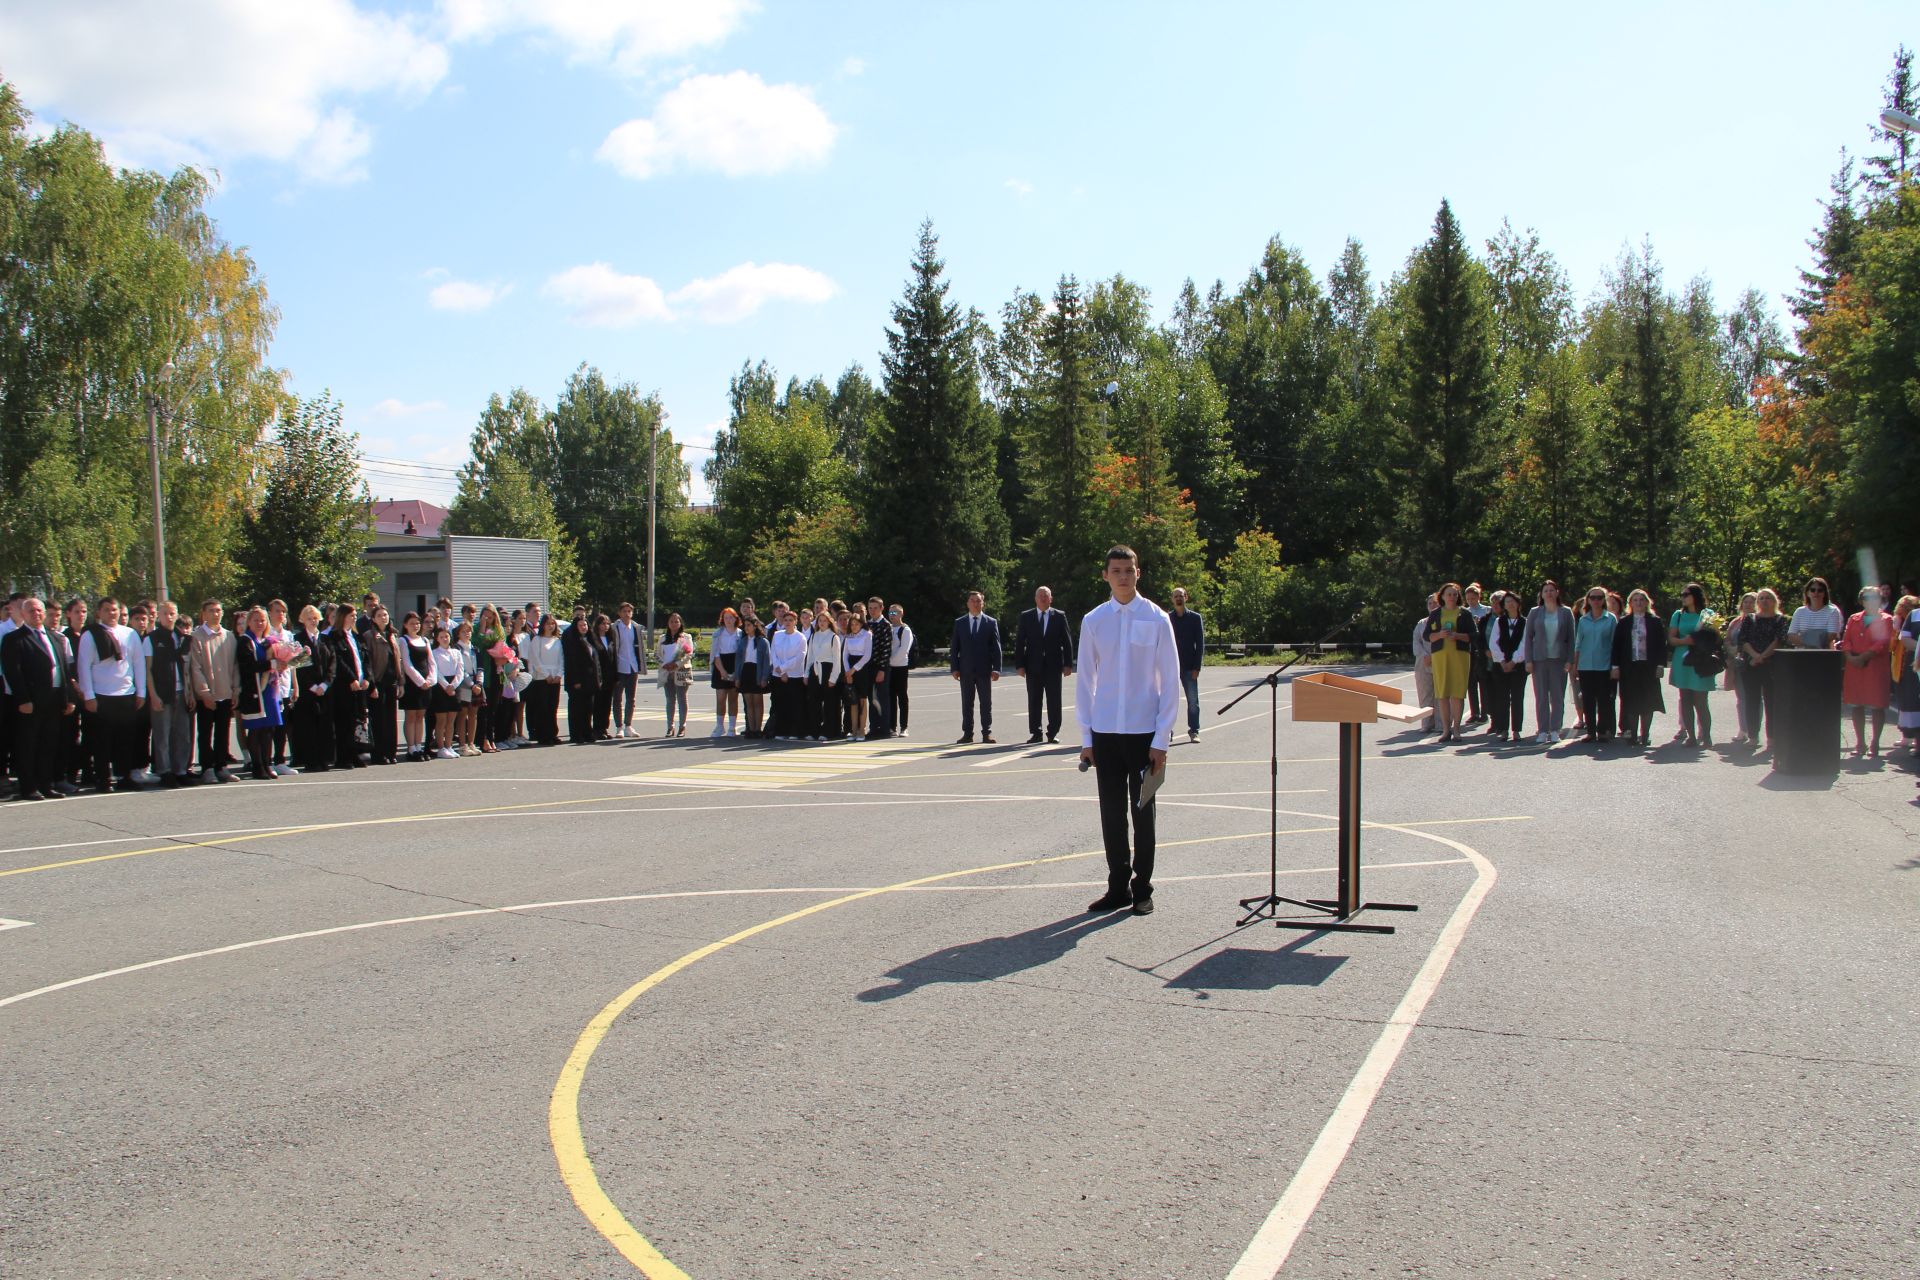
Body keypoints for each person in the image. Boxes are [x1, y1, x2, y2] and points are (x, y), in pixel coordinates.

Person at [1076, 546, 1180, 917]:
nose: (1123, 576)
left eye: (1129, 570)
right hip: (1105, 732)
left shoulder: (1156, 618)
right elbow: (1085, 682)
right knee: (1112, 814)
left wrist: (1161, 739)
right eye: (1116, 570)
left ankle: (1142, 889)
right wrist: (1087, 739)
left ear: (1139, 573)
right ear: (1105, 575)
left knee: (1143, 812)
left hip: (1143, 734)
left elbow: (1170, 682)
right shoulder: (1094, 621)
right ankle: (1117, 886)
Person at [3, 597, 78, 801]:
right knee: (28, 745)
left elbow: (63, 670)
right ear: (23, 614)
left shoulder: (56, 638)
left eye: (39, 610)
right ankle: (29, 786)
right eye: (31, 611)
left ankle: (46, 784)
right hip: (31, 701)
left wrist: (68, 698)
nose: (36, 614)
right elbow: (13, 672)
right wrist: (23, 699)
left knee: (48, 743)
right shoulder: (15, 638)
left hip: (53, 699)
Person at [75, 596, 148, 791]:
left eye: (114, 609)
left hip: (126, 694)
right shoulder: (90, 635)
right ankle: (103, 779)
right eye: (107, 610)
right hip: (101, 695)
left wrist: (141, 691)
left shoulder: (130, 634)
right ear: (99, 613)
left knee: (125, 740)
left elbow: (138, 663)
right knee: (102, 741)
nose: (111, 613)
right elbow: (83, 665)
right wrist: (88, 695)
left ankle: (123, 776)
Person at [144, 601, 197, 786]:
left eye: (172, 613)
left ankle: (180, 770)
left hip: (181, 691)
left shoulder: (183, 638)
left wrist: (190, 692)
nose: (169, 616)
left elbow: (188, 667)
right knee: (162, 735)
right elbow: (147, 669)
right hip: (162, 693)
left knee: (182, 733)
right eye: (165, 613)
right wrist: (153, 695)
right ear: (158, 615)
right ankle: (165, 771)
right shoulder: (152, 639)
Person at [1014, 585, 1074, 745]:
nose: (1042, 598)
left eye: (1045, 596)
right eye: (1040, 596)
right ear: (1035, 599)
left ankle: (1052, 732)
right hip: (1032, 666)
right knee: (1034, 700)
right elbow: (1020, 642)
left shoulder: (1059, 616)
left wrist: (1068, 663)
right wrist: (1019, 664)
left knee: (1054, 700)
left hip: (1054, 666)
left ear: (1051, 599)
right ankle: (1035, 733)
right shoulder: (1026, 616)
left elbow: (1067, 642)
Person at [1839, 587, 1894, 759]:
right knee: (1857, 704)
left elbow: (1884, 642)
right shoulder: (1854, 618)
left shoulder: (1886, 619)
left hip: (1875, 666)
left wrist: (1865, 656)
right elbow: (1846, 640)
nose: (1870, 601)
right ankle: (1860, 742)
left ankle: (1875, 742)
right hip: (1855, 667)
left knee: (1877, 705)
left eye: (1874, 598)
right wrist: (1849, 656)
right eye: (1866, 598)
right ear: (1861, 600)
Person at [189, 599, 238, 783]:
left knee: (223, 732)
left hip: (226, 693)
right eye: (211, 610)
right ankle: (207, 768)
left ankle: (221, 766)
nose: (215, 614)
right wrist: (204, 693)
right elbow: (196, 668)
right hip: (207, 696)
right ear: (203, 613)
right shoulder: (197, 637)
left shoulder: (229, 636)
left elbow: (234, 666)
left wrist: (235, 690)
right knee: (205, 732)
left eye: (218, 610)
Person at [235, 606, 285, 781]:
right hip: (253, 691)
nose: (259, 623)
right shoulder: (245, 641)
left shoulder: (267, 641)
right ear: (249, 622)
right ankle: (257, 767)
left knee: (268, 729)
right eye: (255, 620)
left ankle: (266, 763)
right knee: (256, 730)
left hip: (269, 690)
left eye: (262, 620)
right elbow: (247, 667)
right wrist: (271, 664)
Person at [1735, 588, 1786, 754]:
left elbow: (1779, 640)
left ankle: (1772, 738)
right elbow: (1743, 640)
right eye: (1762, 598)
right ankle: (1753, 736)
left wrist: (1763, 656)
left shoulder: (1780, 620)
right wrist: (1755, 656)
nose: (1764, 601)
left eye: (1768, 598)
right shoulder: (1750, 619)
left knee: (1772, 702)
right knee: (1751, 701)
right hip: (1751, 665)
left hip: (1771, 665)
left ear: (1774, 601)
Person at [1667, 583, 1719, 748]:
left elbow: (1716, 637)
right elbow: (1671, 639)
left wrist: (1702, 640)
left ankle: (1706, 735)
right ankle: (1691, 736)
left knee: (1701, 700)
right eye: (1682, 595)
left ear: (1695, 596)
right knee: (1685, 698)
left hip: (1701, 660)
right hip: (1682, 660)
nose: (1683, 598)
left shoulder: (1708, 614)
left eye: (1686, 594)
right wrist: (1685, 641)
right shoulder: (1678, 615)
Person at [1423, 583, 1476, 743]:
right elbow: (1427, 636)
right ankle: (1446, 730)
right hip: (1440, 656)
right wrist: (1439, 634)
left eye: (1454, 594)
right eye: (1448, 594)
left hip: (1459, 656)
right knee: (1443, 694)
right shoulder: (1435, 614)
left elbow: (1474, 635)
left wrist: (1458, 636)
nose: (1451, 597)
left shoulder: (1465, 613)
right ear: (1442, 596)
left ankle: (1457, 730)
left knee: (1457, 693)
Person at [1524, 581, 1574, 746]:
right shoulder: (1535, 612)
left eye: (1552, 590)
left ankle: (1555, 730)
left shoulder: (1566, 612)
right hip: (1539, 660)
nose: (1549, 593)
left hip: (1558, 660)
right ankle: (1543, 730)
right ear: (1542, 594)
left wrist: (1569, 660)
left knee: (1557, 697)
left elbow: (1571, 639)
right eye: (1546, 591)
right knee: (1541, 697)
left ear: (1557, 592)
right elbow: (1528, 637)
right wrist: (1528, 660)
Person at [950, 590, 1002, 744]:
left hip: (984, 669)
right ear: (968, 603)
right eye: (972, 600)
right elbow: (955, 647)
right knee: (967, 703)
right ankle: (967, 733)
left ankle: (987, 733)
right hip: (965, 670)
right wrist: (954, 668)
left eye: (978, 601)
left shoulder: (991, 622)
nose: (975, 603)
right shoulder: (960, 622)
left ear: (983, 603)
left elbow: (996, 647)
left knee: (986, 703)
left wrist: (996, 668)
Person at [324, 604, 369, 769]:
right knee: (344, 722)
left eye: (355, 615)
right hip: (344, 687)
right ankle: (343, 757)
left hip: (360, 686)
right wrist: (351, 678)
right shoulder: (334, 637)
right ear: (343, 616)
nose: (354, 618)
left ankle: (355, 754)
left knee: (357, 721)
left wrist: (367, 678)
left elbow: (365, 659)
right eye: (351, 615)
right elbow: (338, 661)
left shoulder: (356, 636)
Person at [1572, 586, 1618, 744]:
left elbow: (1615, 644)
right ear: (1588, 600)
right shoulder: (1583, 620)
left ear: (1604, 600)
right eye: (1593, 598)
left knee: (1604, 700)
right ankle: (1590, 731)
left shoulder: (1611, 619)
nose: (1596, 601)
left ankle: (1602, 730)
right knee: (1588, 700)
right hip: (1585, 666)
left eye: (1599, 598)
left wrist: (1614, 667)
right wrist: (1575, 666)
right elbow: (1578, 644)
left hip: (1604, 666)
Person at [1483, 589, 1528, 742]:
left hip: (1518, 665)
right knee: (1502, 698)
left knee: (1517, 697)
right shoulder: (1499, 621)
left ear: (1518, 603)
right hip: (1500, 665)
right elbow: (1493, 643)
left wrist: (1514, 661)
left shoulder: (1524, 622)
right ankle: (1503, 729)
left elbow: (1525, 644)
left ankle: (1516, 730)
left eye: (1512, 601)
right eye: (1507, 602)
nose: (1510, 604)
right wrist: (1502, 661)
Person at [1167, 587, 1205, 744]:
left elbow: (1200, 644)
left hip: (1190, 667)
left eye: (1181, 596)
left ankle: (1194, 731)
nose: (1178, 599)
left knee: (1193, 702)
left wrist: (1197, 667)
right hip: (1171, 667)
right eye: (1175, 596)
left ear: (1186, 597)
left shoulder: (1195, 618)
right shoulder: (1167, 618)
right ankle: (1167, 731)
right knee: (1168, 702)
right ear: (1172, 599)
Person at [397, 611, 434, 761]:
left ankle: (419, 746)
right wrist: (420, 681)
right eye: (412, 623)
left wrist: (430, 680)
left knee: (421, 715)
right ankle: (411, 748)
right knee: (411, 715)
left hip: (426, 683)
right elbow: (407, 664)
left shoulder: (424, 640)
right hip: (412, 684)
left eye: (417, 623)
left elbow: (431, 662)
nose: (415, 626)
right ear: (405, 625)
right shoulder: (403, 640)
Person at [522, 615, 564, 745]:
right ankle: (543, 734)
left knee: (553, 706)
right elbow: (535, 659)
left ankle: (552, 733)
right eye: (548, 623)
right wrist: (546, 675)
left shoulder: (557, 640)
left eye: (553, 623)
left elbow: (561, 659)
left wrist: (559, 674)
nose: (550, 626)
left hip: (555, 677)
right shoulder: (537, 640)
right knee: (543, 707)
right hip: (541, 678)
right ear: (543, 625)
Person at [561, 605, 600, 745]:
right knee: (576, 709)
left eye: (585, 624)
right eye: (581, 625)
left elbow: (595, 662)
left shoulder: (589, 640)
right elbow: (571, 662)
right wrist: (576, 680)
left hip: (590, 681)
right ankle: (576, 734)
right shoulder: (572, 640)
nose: (584, 627)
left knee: (588, 709)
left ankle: (587, 732)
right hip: (577, 681)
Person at [1724, 593, 1758, 743]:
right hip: (1737, 664)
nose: (1748, 605)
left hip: (1753, 663)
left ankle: (1753, 730)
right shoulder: (1736, 622)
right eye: (1746, 602)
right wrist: (1731, 649)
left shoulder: (1759, 621)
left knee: (1755, 698)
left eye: (1752, 602)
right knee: (1741, 697)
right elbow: (1727, 639)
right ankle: (1743, 729)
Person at [806, 607, 843, 741]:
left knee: (829, 703)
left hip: (828, 669)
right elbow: (810, 656)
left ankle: (829, 731)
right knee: (814, 702)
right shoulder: (814, 635)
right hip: (815, 669)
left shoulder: (834, 637)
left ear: (829, 622)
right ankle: (813, 730)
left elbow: (837, 660)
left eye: (824, 621)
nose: (821, 623)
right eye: (819, 621)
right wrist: (806, 674)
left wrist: (833, 678)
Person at [769, 610, 807, 740]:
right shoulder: (777, 635)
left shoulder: (800, 637)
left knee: (794, 705)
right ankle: (781, 730)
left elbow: (799, 657)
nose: (788, 623)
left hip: (794, 675)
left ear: (795, 622)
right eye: (786, 620)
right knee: (780, 704)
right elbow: (773, 653)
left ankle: (794, 731)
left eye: (791, 620)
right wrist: (780, 669)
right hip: (778, 674)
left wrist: (784, 669)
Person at [611, 602, 647, 739]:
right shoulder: (614, 628)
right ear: (619, 613)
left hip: (633, 666)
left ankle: (628, 725)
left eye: (629, 611)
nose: (627, 614)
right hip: (619, 667)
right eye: (624, 611)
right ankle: (619, 727)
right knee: (617, 698)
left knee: (631, 698)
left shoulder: (636, 628)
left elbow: (639, 647)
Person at [656, 613, 692, 738]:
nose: (674, 624)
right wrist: (664, 664)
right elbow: (657, 654)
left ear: (680, 623)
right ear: (668, 623)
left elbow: (688, 654)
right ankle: (670, 727)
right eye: (671, 621)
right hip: (667, 672)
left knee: (682, 699)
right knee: (670, 700)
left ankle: (682, 726)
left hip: (681, 672)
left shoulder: (686, 637)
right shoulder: (662, 638)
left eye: (676, 621)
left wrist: (676, 664)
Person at [1892, 595, 1920, 758]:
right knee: (1914, 702)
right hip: (1915, 666)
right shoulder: (1914, 614)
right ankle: (1917, 743)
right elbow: (1904, 637)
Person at [709, 608, 742, 738]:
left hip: (735, 664)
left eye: (731, 617)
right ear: (722, 619)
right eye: (726, 618)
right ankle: (719, 726)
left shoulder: (740, 634)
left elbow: (741, 654)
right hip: (721, 664)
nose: (728, 620)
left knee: (733, 698)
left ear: (736, 619)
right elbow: (715, 654)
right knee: (721, 698)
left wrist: (735, 671)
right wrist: (722, 671)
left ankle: (732, 727)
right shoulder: (718, 634)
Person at [841, 606, 873, 741]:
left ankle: (862, 729)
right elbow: (845, 655)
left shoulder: (867, 635)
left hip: (862, 669)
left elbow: (867, 655)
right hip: (850, 670)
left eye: (856, 624)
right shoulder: (848, 637)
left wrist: (854, 669)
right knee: (852, 701)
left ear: (861, 624)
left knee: (862, 700)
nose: (854, 626)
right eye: (852, 624)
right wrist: (848, 672)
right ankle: (853, 730)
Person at [1462, 583, 1491, 726]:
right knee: (1470, 683)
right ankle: (1474, 712)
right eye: (1468, 599)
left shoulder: (1487, 610)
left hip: (1483, 649)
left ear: (1479, 597)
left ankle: (1485, 712)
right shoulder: (1464, 612)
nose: (1471, 601)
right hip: (1470, 650)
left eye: (1473, 598)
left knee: (1483, 682)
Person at [863, 598, 892, 739]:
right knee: (872, 698)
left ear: (881, 608)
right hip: (869, 667)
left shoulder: (886, 625)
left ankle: (885, 728)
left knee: (882, 698)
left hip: (881, 667)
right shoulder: (867, 625)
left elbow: (886, 649)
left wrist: (882, 669)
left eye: (875, 608)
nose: (872, 611)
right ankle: (874, 727)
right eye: (870, 608)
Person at [738, 617, 772, 738]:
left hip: (757, 671)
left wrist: (764, 677)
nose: (746, 628)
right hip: (746, 672)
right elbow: (738, 660)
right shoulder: (742, 641)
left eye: (749, 625)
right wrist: (737, 677)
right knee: (749, 703)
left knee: (757, 702)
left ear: (755, 626)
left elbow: (767, 661)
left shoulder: (763, 642)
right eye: (745, 625)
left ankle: (758, 729)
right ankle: (751, 729)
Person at [1788, 578, 1844, 650]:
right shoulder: (1799, 611)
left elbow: (1832, 635)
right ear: (1807, 593)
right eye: (1812, 590)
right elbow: (1791, 634)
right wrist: (1811, 643)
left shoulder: (1832, 611)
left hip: (1824, 653)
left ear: (1824, 593)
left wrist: (1807, 639)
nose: (1816, 593)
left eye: (1820, 590)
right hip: (1802, 654)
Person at [884, 604, 913, 737]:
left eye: (894, 613)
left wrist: (890, 661)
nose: (891, 616)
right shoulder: (888, 628)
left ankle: (904, 727)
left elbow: (904, 650)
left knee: (902, 697)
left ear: (901, 614)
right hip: (889, 668)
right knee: (890, 698)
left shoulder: (905, 630)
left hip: (900, 667)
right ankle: (891, 726)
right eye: (890, 613)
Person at [1411, 593, 1438, 732]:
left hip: (1439, 660)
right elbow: (1416, 641)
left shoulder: (1445, 622)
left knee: (1440, 694)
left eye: (1435, 603)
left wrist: (1434, 656)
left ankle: (1441, 724)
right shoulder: (1422, 623)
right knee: (1425, 693)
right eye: (1430, 604)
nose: (1432, 606)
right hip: (1423, 661)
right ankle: (1427, 723)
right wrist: (1424, 655)